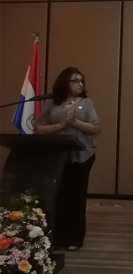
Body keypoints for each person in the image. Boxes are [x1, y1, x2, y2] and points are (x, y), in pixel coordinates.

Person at [35, 67, 101, 251]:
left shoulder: (87, 103)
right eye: (75, 81)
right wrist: (60, 125)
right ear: (65, 82)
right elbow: (39, 128)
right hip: (56, 157)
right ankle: (57, 237)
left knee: (76, 197)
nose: (80, 84)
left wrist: (75, 123)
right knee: (59, 197)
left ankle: (75, 238)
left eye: (82, 81)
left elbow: (96, 129)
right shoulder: (51, 103)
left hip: (82, 156)